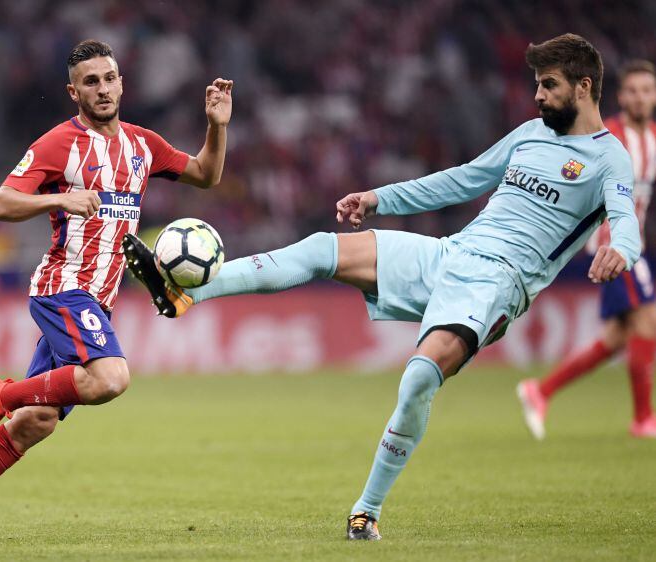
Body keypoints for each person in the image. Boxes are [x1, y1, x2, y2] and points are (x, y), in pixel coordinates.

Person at [123, 34, 639, 541]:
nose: (538, 95)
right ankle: (182, 294)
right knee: (319, 250)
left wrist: (623, 251)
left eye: (549, 85)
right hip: (450, 253)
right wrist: (378, 198)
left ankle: (365, 511)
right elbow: (462, 180)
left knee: (417, 381)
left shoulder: (608, 159)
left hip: (496, 286)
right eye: (537, 85)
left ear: (584, 86)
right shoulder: (530, 134)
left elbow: (627, 222)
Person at [0, 39, 233, 539]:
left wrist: (217, 125)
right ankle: (0, 393)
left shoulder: (143, 145)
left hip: (98, 300)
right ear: (73, 92)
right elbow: (0, 204)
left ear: (122, 82)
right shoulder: (59, 142)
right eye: (91, 82)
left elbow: (207, 175)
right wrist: (60, 197)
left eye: (109, 78)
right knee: (110, 378)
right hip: (63, 289)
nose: (102, 89)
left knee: (35, 422)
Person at [518, 60, 656, 440]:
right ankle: (644, 420)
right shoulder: (606, 137)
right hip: (613, 246)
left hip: (633, 244)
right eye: (634, 90)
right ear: (622, 96)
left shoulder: (654, 138)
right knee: (648, 322)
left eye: (648, 90)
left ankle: (539, 391)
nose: (641, 98)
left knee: (615, 338)